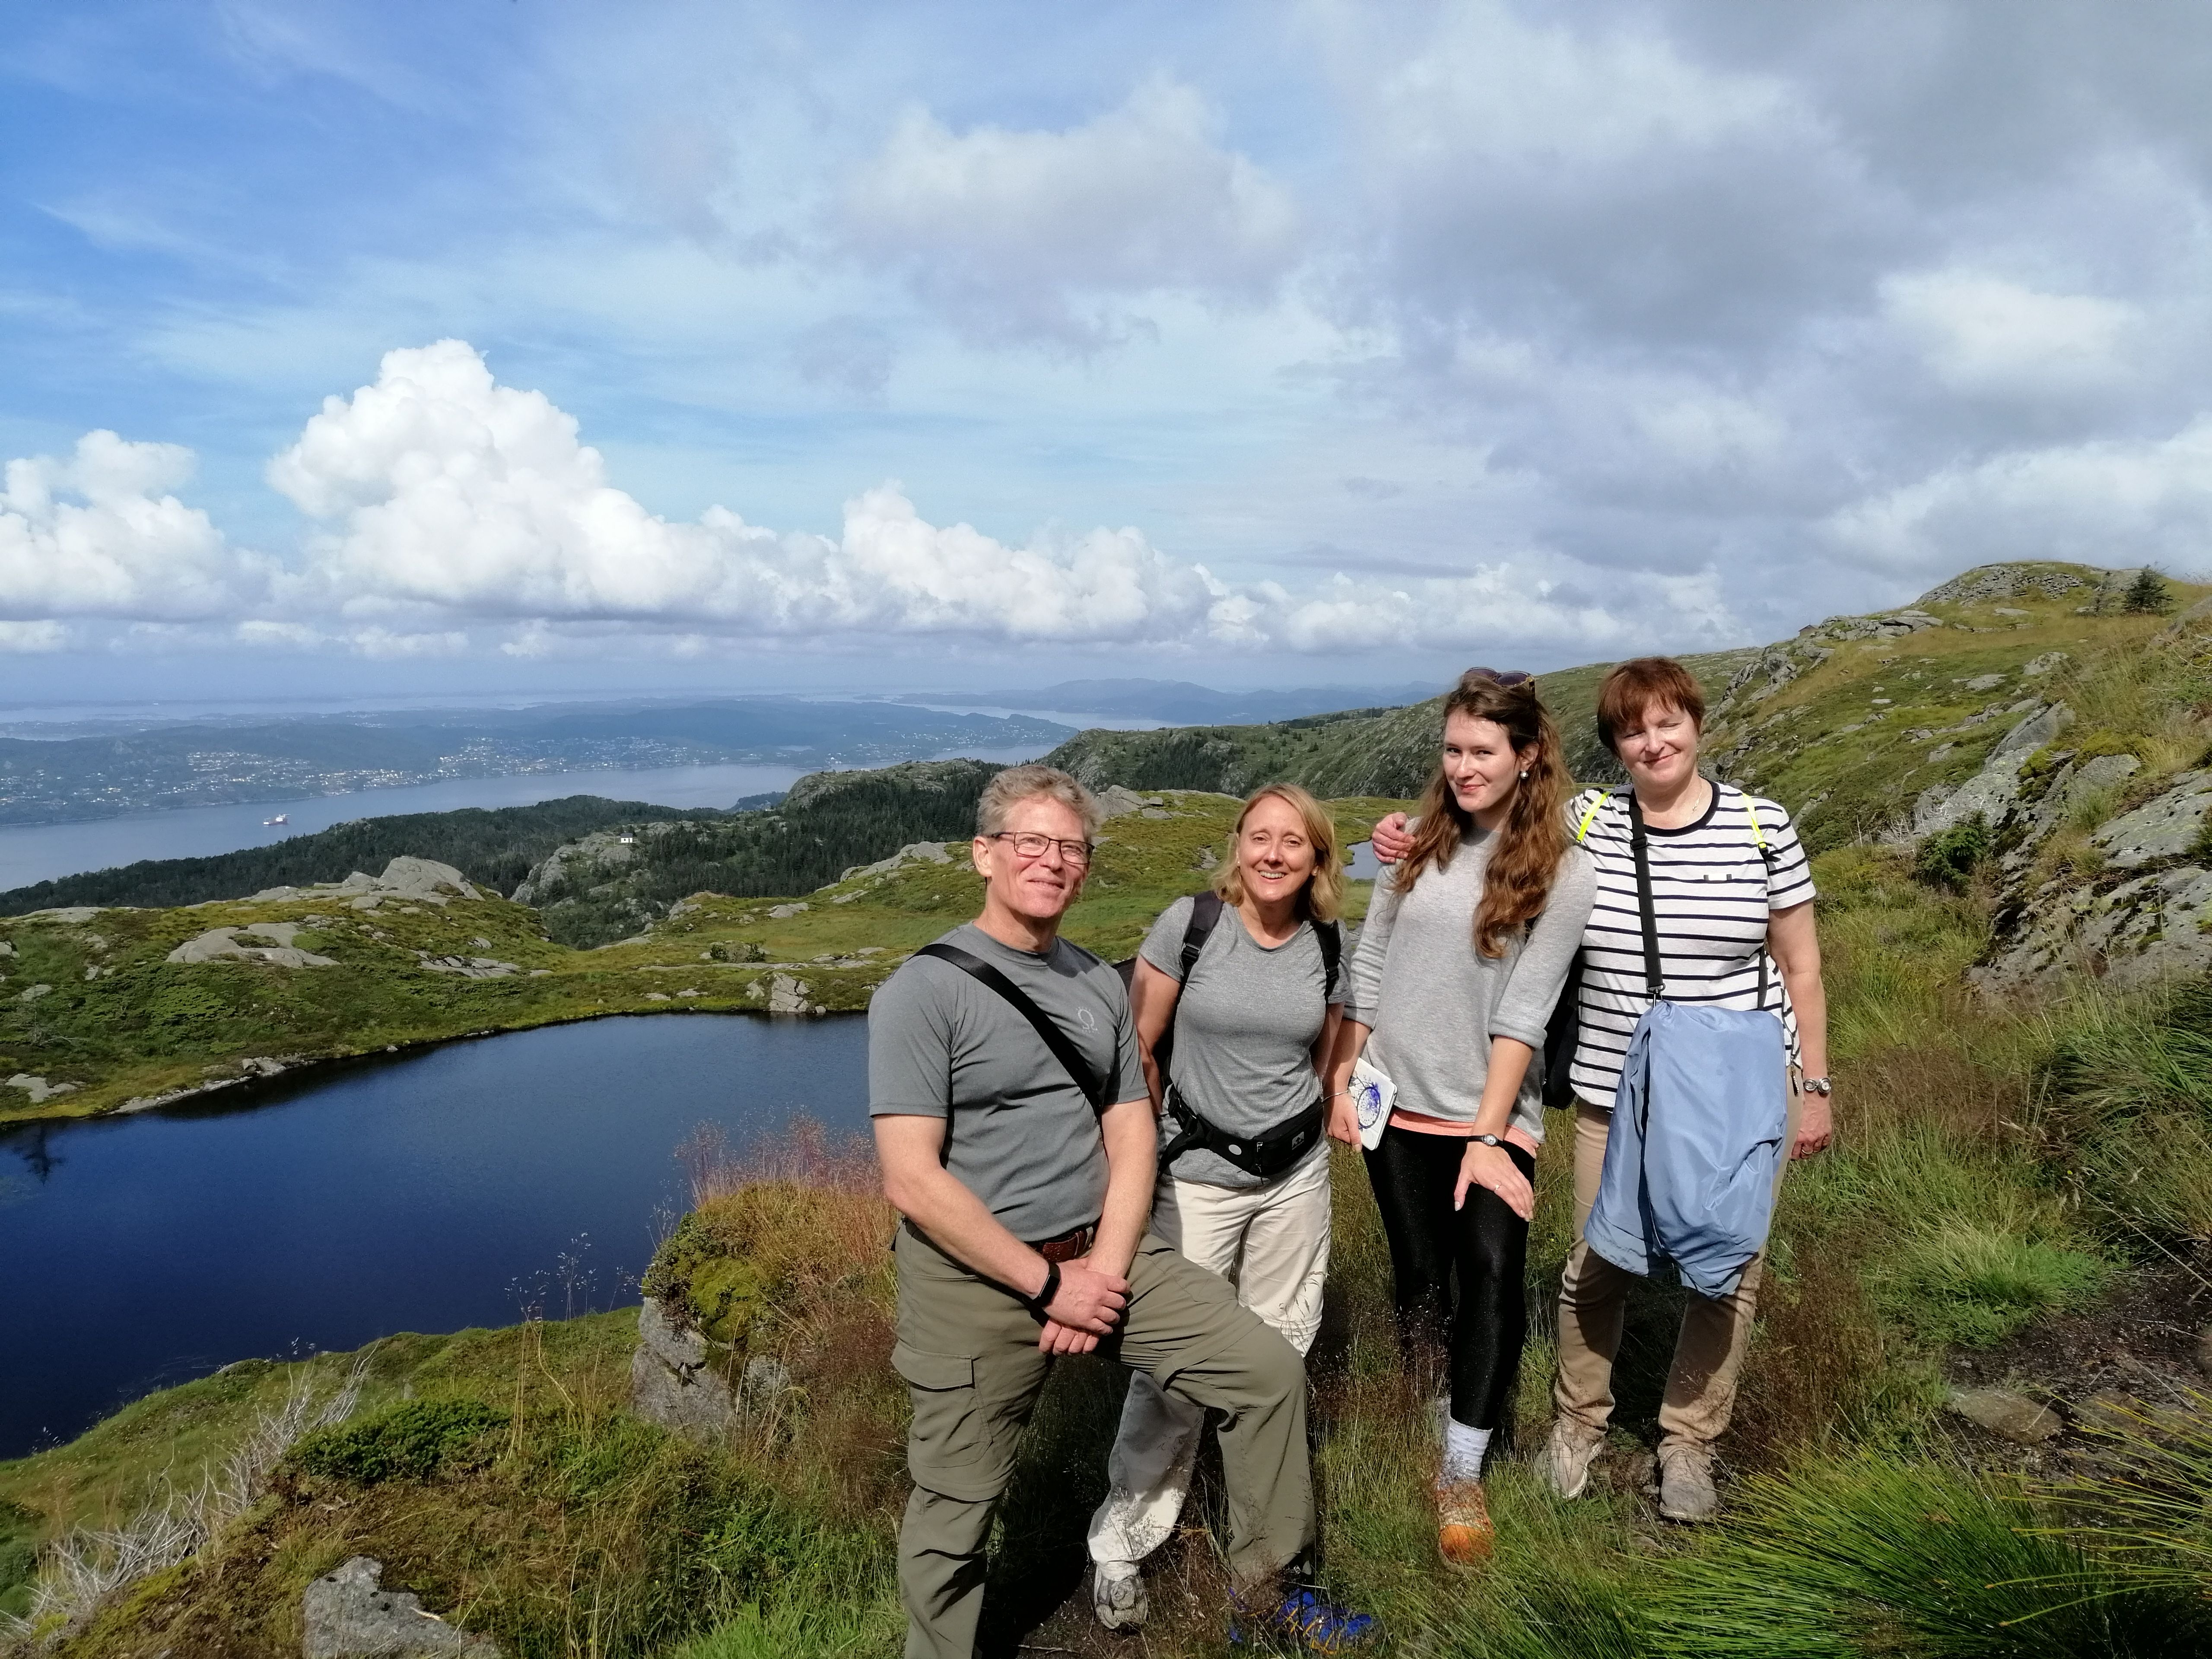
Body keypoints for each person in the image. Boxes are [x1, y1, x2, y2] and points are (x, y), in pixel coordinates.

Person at [870, 764, 1378, 1658]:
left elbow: (1131, 1130)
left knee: (1264, 1374)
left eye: (1069, 847)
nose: (1052, 861)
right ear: (984, 855)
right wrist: (1045, 1283)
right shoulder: (924, 990)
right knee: (957, 1508)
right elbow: (912, 1179)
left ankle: (1266, 1593)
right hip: (976, 1286)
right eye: (1030, 842)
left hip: (1105, 1257)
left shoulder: (1092, 983)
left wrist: (1100, 1268)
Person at [1368, 656, 1833, 1523]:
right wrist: (1393, 834)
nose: (1652, 742)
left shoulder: (1761, 828)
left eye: (1668, 723)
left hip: (1737, 1088)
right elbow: (1495, 822)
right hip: (1614, 1087)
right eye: (1631, 729)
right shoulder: (1587, 823)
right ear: (1613, 744)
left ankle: (1688, 1441)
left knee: (1727, 1272)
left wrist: (1814, 1084)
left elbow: (1801, 966)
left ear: (1695, 725)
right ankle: (1578, 1425)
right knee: (1595, 1265)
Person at [1323, 670, 1595, 1566]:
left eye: (1484, 751)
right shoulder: (1415, 850)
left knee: (1489, 1273)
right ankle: (1431, 1415)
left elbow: (1525, 1013)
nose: (1465, 766)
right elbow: (1369, 964)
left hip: (1490, 1114)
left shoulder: (1564, 870)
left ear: (1526, 758)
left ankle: (1463, 1471)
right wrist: (1346, 1072)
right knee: (1418, 1278)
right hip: (1394, 1103)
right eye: (1453, 750)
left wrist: (1489, 1137)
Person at [1087, 783, 1347, 1632]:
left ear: (1317, 857)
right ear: (1238, 846)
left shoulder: (1328, 940)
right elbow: (1138, 1052)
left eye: (1293, 842)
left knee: (1277, 1354)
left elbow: (1325, 1051)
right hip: (1193, 1181)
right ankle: (1121, 1545)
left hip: (1294, 1181)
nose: (1274, 854)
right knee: (1173, 1375)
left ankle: (1260, 1560)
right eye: (1260, 838)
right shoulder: (1189, 925)